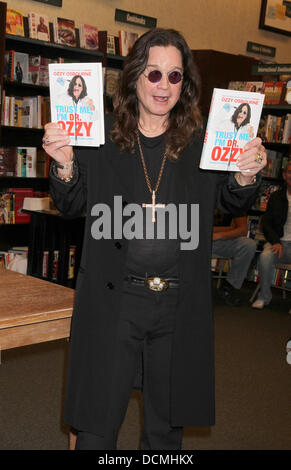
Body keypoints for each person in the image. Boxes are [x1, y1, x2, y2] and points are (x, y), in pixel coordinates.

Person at [43, 28, 266, 450]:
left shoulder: (202, 142)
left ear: (186, 84)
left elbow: (233, 200)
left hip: (177, 308)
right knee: (95, 425)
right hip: (114, 303)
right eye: (154, 74)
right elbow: (70, 205)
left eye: (175, 76)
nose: (164, 86)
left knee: (165, 432)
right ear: (134, 78)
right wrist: (66, 165)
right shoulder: (100, 136)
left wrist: (246, 173)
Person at [252, 161, 291, 309]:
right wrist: (275, 241)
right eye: (289, 172)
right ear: (284, 175)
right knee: (265, 256)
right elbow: (266, 224)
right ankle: (264, 297)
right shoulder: (276, 197)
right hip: (278, 242)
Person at [212, 210, 257, 306]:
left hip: (220, 240)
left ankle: (228, 287)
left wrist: (219, 234)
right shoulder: (198, 198)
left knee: (249, 245)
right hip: (196, 239)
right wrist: (230, 229)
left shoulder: (233, 201)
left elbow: (242, 230)